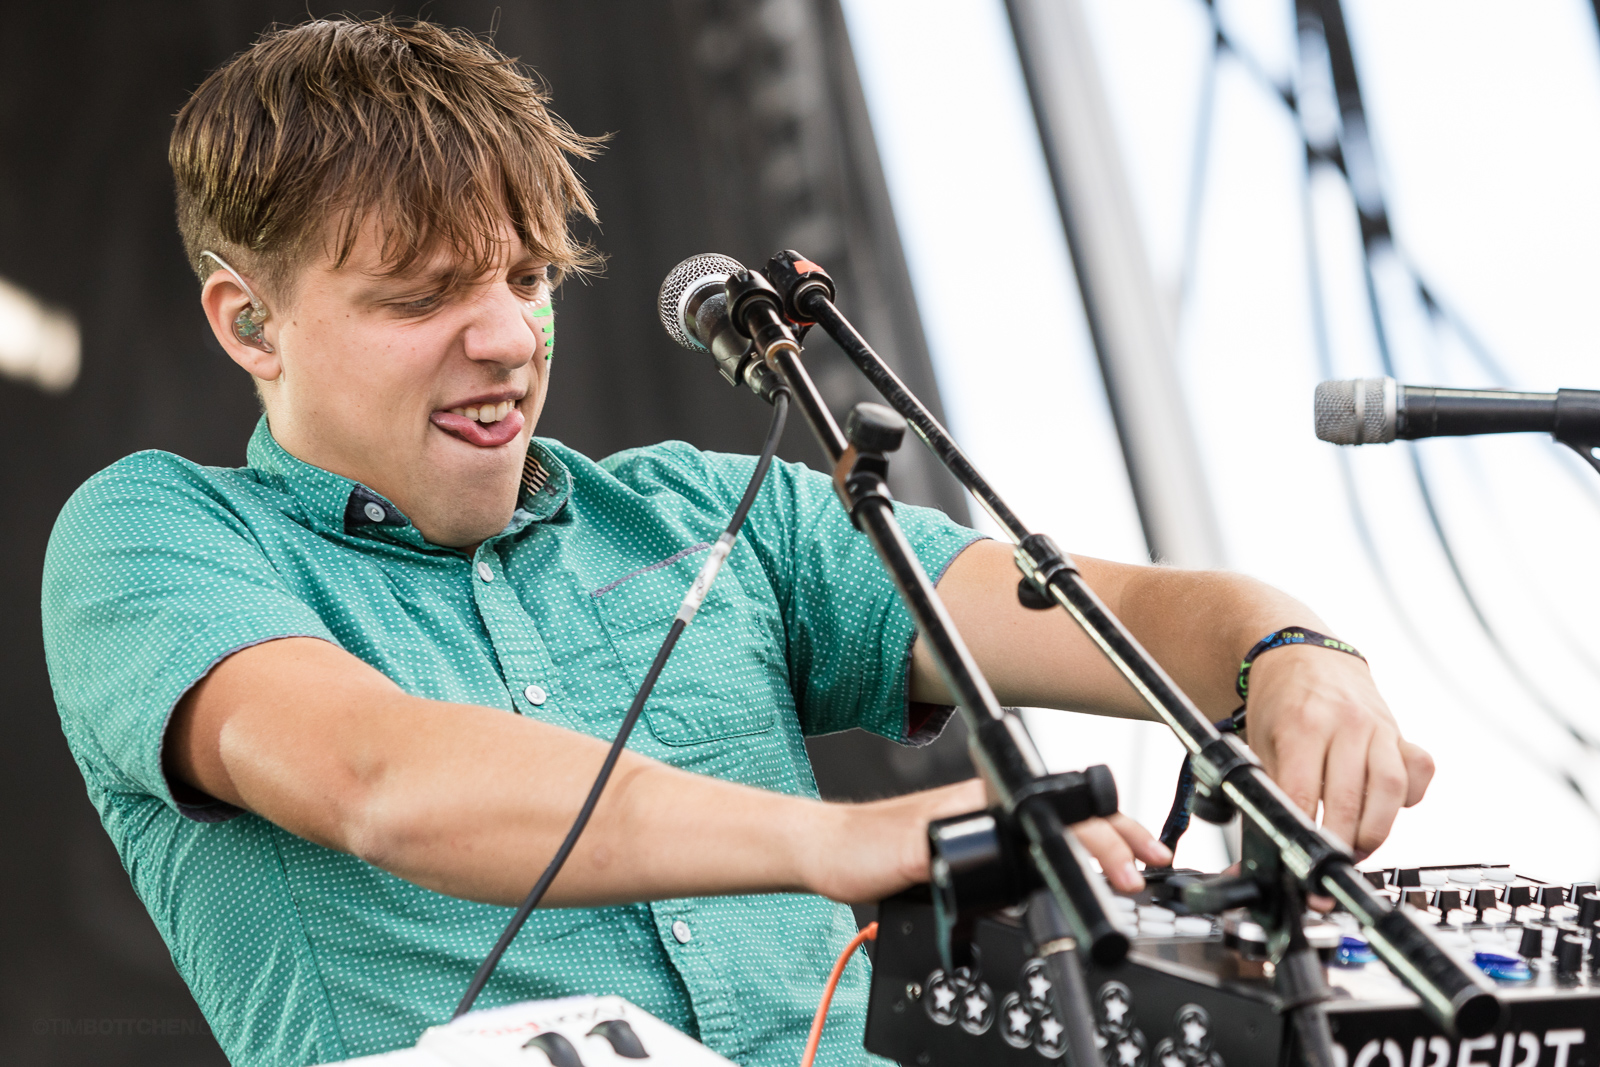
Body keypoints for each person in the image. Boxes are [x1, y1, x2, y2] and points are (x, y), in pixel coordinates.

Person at [40, 16, 1433, 1067]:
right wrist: (834, 843)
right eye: (421, 297)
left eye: (529, 277)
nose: (510, 337)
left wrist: (1291, 648)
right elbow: (375, 777)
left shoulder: (720, 512)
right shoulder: (150, 536)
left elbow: (1100, 611)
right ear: (249, 325)